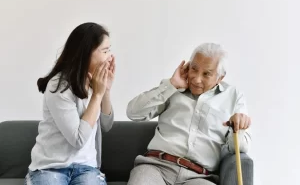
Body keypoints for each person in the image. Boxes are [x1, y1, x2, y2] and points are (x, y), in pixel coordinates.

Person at [126, 43, 251, 185]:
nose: (196, 79)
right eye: (194, 69)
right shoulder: (172, 88)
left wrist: (238, 128)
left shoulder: (233, 97)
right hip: (156, 167)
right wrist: (171, 85)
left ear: (220, 77)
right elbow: (133, 113)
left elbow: (240, 148)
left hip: (199, 177)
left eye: (206, 74)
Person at [25, 22, 115, 185]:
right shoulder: (58, 86)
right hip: (50, 167)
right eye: (105, 51)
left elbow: (107, 125)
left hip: (87, 168)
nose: (110, 56)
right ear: (87, 53)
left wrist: (106, 91)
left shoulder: (95, 83)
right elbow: (78, 140)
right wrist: (97, 95)